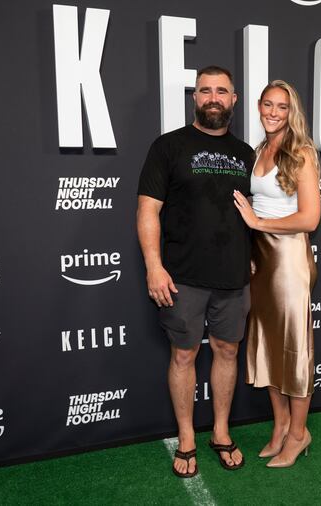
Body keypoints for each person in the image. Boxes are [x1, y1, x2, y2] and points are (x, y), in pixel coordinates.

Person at [137, 66, 255, 478]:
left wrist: (252, 256)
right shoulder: (168, 146)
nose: (213, 98)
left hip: (234, 276)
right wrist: (154, 267)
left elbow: (256, 215)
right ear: (195, 98)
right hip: (182, 276)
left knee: (227, 351)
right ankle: (186, 437)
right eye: (205, 90)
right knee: (184, 355)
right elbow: (148, 209)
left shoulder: (246, 154)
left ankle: (221, 432)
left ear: (234, 100)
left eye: (222, 91)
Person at [232, 80, 321, 468]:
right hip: (261, 260)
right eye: (267, 104)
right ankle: (281, 424)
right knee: (267, 344)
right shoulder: (257, 151)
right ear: (258, 106)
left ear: (291, 112)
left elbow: (310, 218)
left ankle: (299, 434)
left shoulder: (300, 152)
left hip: (288, 261)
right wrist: (251, 243)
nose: (272, 112)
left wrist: (257, 222)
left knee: (294, 349)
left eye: (281, 107)